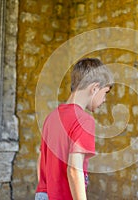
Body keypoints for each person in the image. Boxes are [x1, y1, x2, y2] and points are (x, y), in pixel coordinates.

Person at [35, 58, 114, 200]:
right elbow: (74, 169)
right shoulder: (84, 121)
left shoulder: (52, 117)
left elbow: (41, 161)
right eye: (105, 92)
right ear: (95, 88)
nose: (104, 100)